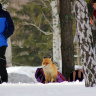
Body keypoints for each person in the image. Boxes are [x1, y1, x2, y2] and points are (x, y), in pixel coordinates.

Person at [0, 3, 14, 83]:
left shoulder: (5, 14)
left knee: (1, 60)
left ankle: (4, 80)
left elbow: (11, 27)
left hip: (1, 42)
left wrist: (4, 36)